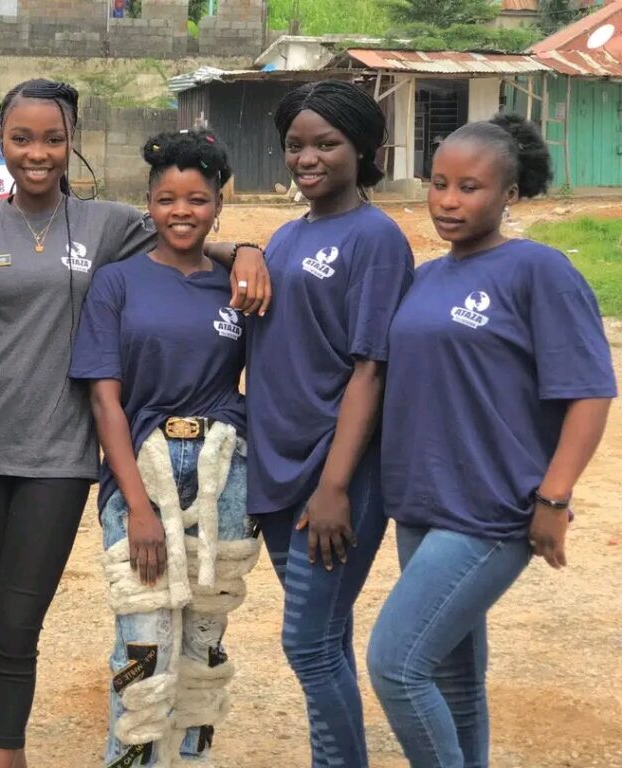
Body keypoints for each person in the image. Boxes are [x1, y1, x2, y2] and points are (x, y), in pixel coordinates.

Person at [0, 78, 270, 768]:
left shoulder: (106, 224)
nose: (37, 152)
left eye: (52, 138)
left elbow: (184, 230)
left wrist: (245, 249)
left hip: (61, 455)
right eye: (21, 138)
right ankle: (7, 750)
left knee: (20, 616)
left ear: (72, 143)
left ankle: (4, 754)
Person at [367, 113, 615, 768]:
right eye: (439, 183)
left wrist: (554, 498)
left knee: (396, 665)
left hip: (490, 510)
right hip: (421, 505)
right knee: (452, 679)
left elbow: (590, 392)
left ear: (509, 193)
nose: (448, 201)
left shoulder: (538, 270)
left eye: (469, 188)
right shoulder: (425, 277)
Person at [70, 129, 261, 767]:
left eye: (198, 199)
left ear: (219, 206)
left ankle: (192, 759)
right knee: (144, 644)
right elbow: (105, 401)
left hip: (224, 476)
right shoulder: (116, 284)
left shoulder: (236, 284)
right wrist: (138, 508)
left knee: (204, 644)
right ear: (148, 205)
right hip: (142, 473)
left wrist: (250, 253)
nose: (182, 212)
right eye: (167, 199)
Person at [243, 80, 414, 767]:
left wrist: (336, 486)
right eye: (295, 145)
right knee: (327, 634)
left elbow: (371, 370)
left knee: (308, 643)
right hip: (276, 469)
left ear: (364, 149)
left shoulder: (376, 239)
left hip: (335, 475)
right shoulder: (286, 236)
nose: (306, 158)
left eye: (326, 144)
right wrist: (241, 249)